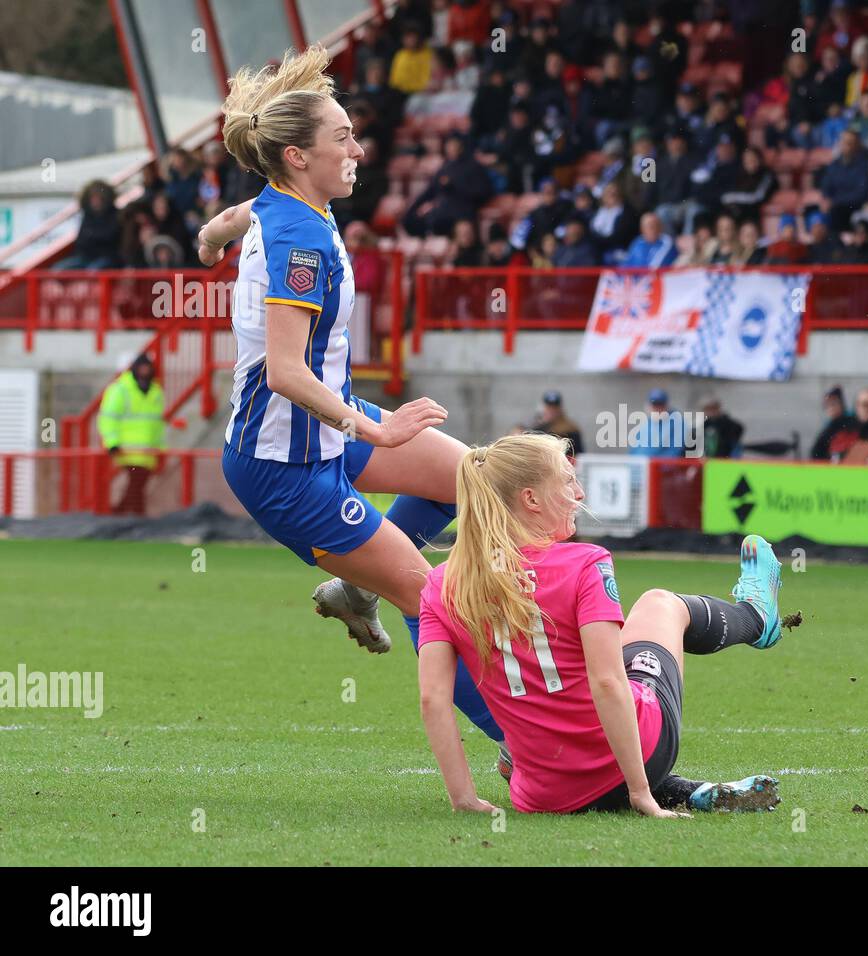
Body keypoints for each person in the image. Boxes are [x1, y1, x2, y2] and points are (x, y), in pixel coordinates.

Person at [194, 46, 505, 751]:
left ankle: (355, 588)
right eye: (343, 137)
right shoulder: (302, 235)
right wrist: (380, 431)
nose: (358, 147)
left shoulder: (288, 201)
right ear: (299, 157)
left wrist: (212, 233)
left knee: (476, 480)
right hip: (285, 465)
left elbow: (247, 211)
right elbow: (283, 371)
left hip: (324, 430)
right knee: (430, 598)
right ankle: (530, 749)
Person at [416, 433, 787, 815]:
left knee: (529, 735)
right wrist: (640, 792)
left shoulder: (440, 585)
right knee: (659, 604)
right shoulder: (585, 562)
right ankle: (756, 617)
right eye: (567, 480)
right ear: (531, 499)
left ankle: (686, 791)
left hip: (545, 797)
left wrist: (464, 799)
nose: (579, 492)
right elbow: (607, 682)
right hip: (640, 760)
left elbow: (433, 699)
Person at [97, 354, 165, 515]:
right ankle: (134, 516)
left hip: (147, 452)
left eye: (147, 367)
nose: (144, 371)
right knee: (136, 485)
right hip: (127, 450)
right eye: (141, 367)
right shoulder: (120, 389)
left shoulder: (156, 391)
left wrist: (161, 448)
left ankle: (121, 514)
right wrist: (112, 442)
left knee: (137, 486)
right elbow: (107, 419)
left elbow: (158, 424)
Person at [629, 388, 688, 457]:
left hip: (660, 466)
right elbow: (634, 451)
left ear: (666, 406)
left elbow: (673, 453)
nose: (657, 408)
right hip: (640, 466)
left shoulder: (678, 424)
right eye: (654, 405)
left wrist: (652, 465)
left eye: (660, 404)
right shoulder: (645, 425)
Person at [810, 385, 859, 462]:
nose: (830, 408)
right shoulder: (829, 425)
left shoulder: (852, 422)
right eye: (827, 406)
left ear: (841, 404)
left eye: (833, 404)